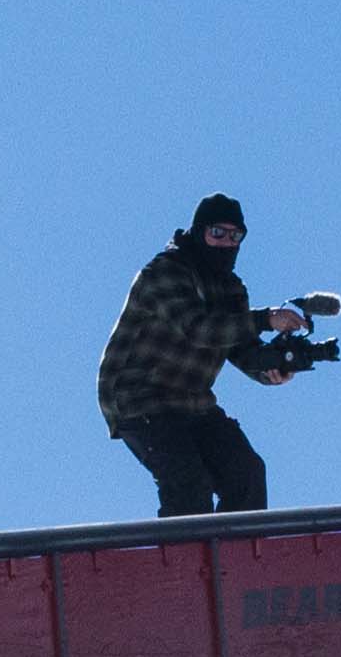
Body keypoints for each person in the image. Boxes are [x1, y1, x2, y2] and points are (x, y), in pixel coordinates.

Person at [97, 193, 307, 515]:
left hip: (191, 401)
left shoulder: (231, 289)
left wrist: (273, 367)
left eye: (234, 236)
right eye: (216, 234)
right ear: (198, 232)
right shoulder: (165, 272)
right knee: (188, 483)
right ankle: (181, 561)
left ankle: (237, 557)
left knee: (246, 472)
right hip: (139, 398)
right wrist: (265, 319)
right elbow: (199, 328)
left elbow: (242, 350)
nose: (225, 244)